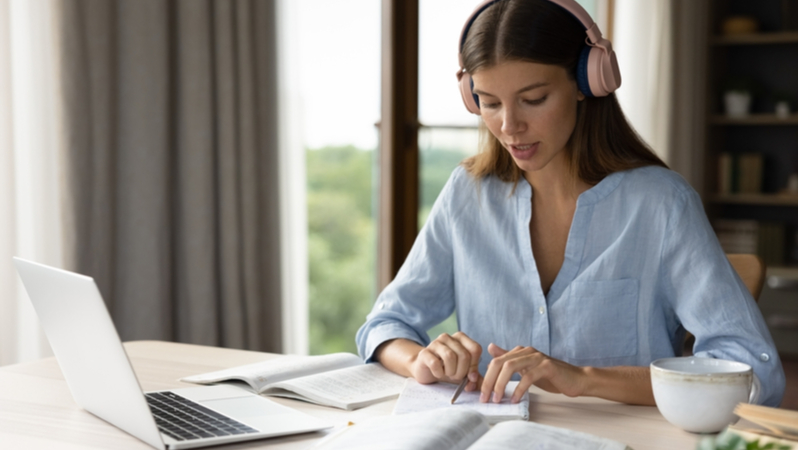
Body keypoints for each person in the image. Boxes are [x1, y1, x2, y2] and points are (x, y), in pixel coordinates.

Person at [356, 0, 785, 406]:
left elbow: (754, 370)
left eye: (534, 99)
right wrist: (422, 361)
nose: (510, 126)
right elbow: (383, 326)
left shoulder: (661, 204)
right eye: (489, 102)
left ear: (585, 83)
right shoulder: (467, 193)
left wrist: (583, 378)